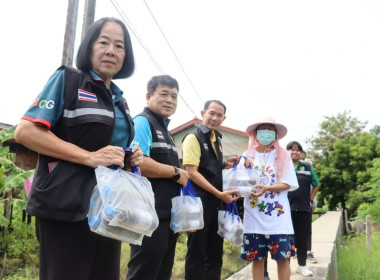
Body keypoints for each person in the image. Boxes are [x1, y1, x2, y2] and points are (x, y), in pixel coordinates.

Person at [14, 17, 143, 280]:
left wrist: (129, 157)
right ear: (89, 47)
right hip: (65, 206)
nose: (111, 51)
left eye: (119, 46)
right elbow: (25, 132)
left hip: (107, 211)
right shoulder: (69, 79)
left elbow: (109, 149)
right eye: (103, 42)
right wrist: (89, 157)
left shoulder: (120, 101)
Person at [126, 75, 189, 280]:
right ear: (148, 96)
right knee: (144, 273)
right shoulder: (143, 122)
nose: (170, 100)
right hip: (147, 215)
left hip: (166, 216)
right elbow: (139, 163)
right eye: (163, 94)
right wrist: (176, 172)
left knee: (162, 273)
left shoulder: (166, 130)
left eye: (174, 96)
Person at [182, 100, 240, 280]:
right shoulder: (193, 137)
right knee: (197, 255)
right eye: (211, 113)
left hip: (216, 205)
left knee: (215, 254)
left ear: (224, 118)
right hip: (199, 205)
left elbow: (208, 167)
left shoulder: (218, 139)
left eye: (219, 115)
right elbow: (192, 172)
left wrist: (224, 164)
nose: (215, 118)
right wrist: (219, 194)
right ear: (202, 113)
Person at [240, 116, 298, 280]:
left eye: (270, 130)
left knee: (283, 258)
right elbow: (239, 182)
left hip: (278, 221)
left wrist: (268, 188)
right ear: (256, 134)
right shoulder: (247, 156)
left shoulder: (284, 155)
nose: (266, 134)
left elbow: (288, 183)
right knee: (256, 259)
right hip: (254, 218)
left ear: (275, 134)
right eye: (262, 130)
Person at [286, 141, 321, 276]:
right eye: (291, 149)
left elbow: (316, 184)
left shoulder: (307, 167)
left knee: (302, 238)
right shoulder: (282, 166)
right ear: (287, 152)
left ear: (301, 153)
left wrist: (310, 199)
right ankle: (285, 266)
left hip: (303, 208)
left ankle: (302, 265)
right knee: (286, 239)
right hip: (285, 209)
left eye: (297, 150)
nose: (294, 152)